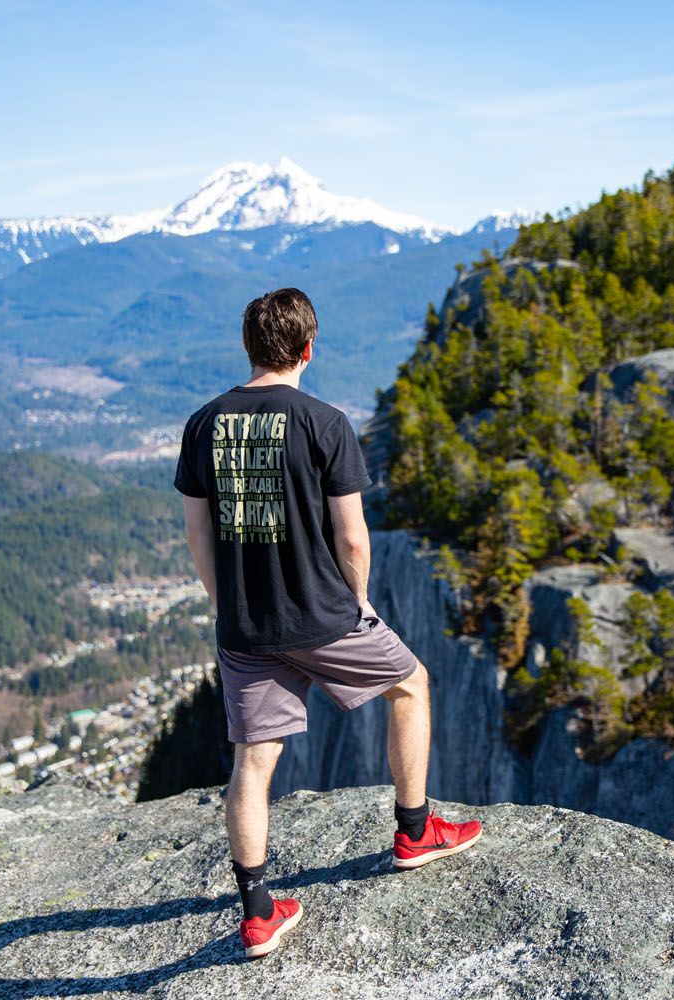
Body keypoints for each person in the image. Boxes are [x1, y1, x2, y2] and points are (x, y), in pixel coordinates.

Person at [173, 287, 482, 960]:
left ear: (249, 348)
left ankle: (258, 912)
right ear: (309, 348)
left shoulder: (203, 424)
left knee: (252, 764)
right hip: (322, 613)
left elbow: (198, 533)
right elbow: (353, 538)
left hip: (245, 626)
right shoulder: (325, 423)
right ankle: (414, 831)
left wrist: (223, 605)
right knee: (412, 685)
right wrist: (361, 601)